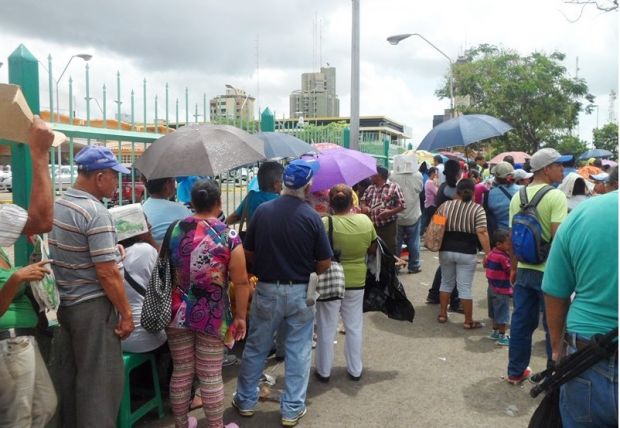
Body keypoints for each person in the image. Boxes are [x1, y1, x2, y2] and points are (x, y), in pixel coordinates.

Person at [233, 159, 332, 427]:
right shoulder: (312, 217)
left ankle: (244, 401)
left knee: (256, 346)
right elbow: (324, 263)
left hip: (266, 290)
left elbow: (249, 254)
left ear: (284, 183)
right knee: (298, 351)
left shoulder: (263, 212)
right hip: (301, 292)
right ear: (307, 186)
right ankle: (291, 410)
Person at [49, 145, 134, 427]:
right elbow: (107, 274)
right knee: (100, 387)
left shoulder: (60, 205)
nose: (116, 182)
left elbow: (83, 254)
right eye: (114, 176)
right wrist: (126, 313)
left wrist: (113, 251)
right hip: (94, 308)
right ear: (100, 177)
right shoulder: (95, 212)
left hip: (68, 306)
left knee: (73, 382)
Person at [165, 179, 249, 428]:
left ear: (191, 202)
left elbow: (166, 268)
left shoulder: (175, 229)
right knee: (210, 374)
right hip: (211, 314)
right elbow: (241, 281)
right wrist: (241, 317)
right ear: (218, 202)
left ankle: (182, 424)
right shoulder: (228, 235)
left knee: (181, 370)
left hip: (176, 310)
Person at [542, 190, 618, 427]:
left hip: (588, 357)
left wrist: (556, 347)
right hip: (590, 353)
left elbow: (556, 290)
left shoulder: (585, 213)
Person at [0, 117, 57, 428]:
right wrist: (39, 154)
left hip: (20, 341)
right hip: (7, 344)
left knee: (44, 406)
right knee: (17, 419)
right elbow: (42, 220)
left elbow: (36, 224)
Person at [506, 148, 567, 385]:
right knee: (555, 327)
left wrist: (513, 268)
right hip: (549, 273)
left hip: (523, 268)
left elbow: (513, 237)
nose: (562, 169)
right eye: (559, 165)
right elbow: (558, 240)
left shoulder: (517, 196)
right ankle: (554, 376)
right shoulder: (555, 196)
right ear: (546, 169)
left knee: (521, 322)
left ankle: (515, 371)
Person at [314, 185, 377, 383]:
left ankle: (323, 371)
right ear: (352, 202)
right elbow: (373, 248)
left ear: (330, 203)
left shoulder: (324, 223)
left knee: (326, 326)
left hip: (330, 280)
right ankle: (355, 369)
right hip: (356, 280)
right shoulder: (365, 221)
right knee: (354, 325)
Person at [436, 179, 490, 329]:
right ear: (473, 192)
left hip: (446, 250)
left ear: (457, 192)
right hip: (467, 252)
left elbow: (436, 227)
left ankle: (442, 314)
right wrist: (488, 253)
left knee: (446, 282)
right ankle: (468, 321)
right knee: (465, 287)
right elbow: (482, 232)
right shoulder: (477, 209)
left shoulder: (445, 206)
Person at [111, 208, 166, 354]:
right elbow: (165, 281)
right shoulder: (145, 250)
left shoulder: (110, 256)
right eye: (145, 222)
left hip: (118, 336)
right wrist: (150, 239)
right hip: (146, 336)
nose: (150, 226)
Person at [425, 159, 461, 310]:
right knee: (455, 265)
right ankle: (455, 301)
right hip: (451, 229)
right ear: (457, 172)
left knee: (446, 264)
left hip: (442, 227)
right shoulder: (452, 189)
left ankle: (434, 294)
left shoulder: (444, 187)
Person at [360, 166, 405, 255]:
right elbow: (363, 201)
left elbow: (402, 205)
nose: (370, 177)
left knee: (389, 250)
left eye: (372, 174)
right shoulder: (370, 188)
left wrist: (389, 212)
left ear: (379, 175)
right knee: (373, 250)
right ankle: (377, 269)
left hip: (388, 226)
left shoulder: (393, 187)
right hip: (372, 226)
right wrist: (364, 207)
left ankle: (391, 268)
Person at [226, 161, 284, 225]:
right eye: (282, 181)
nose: (283, 184)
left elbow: (234, 217)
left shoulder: (251, 196)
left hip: (253, 235)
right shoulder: (282, 201)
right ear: (275, 184)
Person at [391, 162, 424, 273]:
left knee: (397, 242)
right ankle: (414, 266)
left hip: (397, 215)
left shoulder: (393, 175)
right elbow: (420, 189)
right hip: (413, 214)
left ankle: (395, 266)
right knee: (414, 241)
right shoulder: (418, 175)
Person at [142, 177, 192, 246]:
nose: (175, 186)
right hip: (174, 253)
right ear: (167, 184)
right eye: (174, 181)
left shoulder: (142, 208)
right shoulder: (181, 209)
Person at [484, 229, 512, 346]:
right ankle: (502, 335)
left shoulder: (491, 253)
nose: (510, 245)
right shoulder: (503, 257)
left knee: (495, 312)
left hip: (491, 287)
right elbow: (509, 270)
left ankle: (494, 332)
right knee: (503, 313)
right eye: (508, 243)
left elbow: (485, 263)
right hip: (502, 289)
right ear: (499, 244)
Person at [483, 161, 518, 234]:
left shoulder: (488, 195)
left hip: (500, 237)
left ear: (495, 177)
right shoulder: (523, 190)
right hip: (520, 233)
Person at [421, 166, 439, 234]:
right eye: (436, 173)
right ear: (432, 173)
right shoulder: (430, 182)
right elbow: (437, 193)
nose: (437, 175)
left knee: (426, 219)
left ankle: (423, 232)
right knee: (429, 219)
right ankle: (425, 232)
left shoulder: (430, 182)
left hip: (430, 204)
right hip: (430, 204)